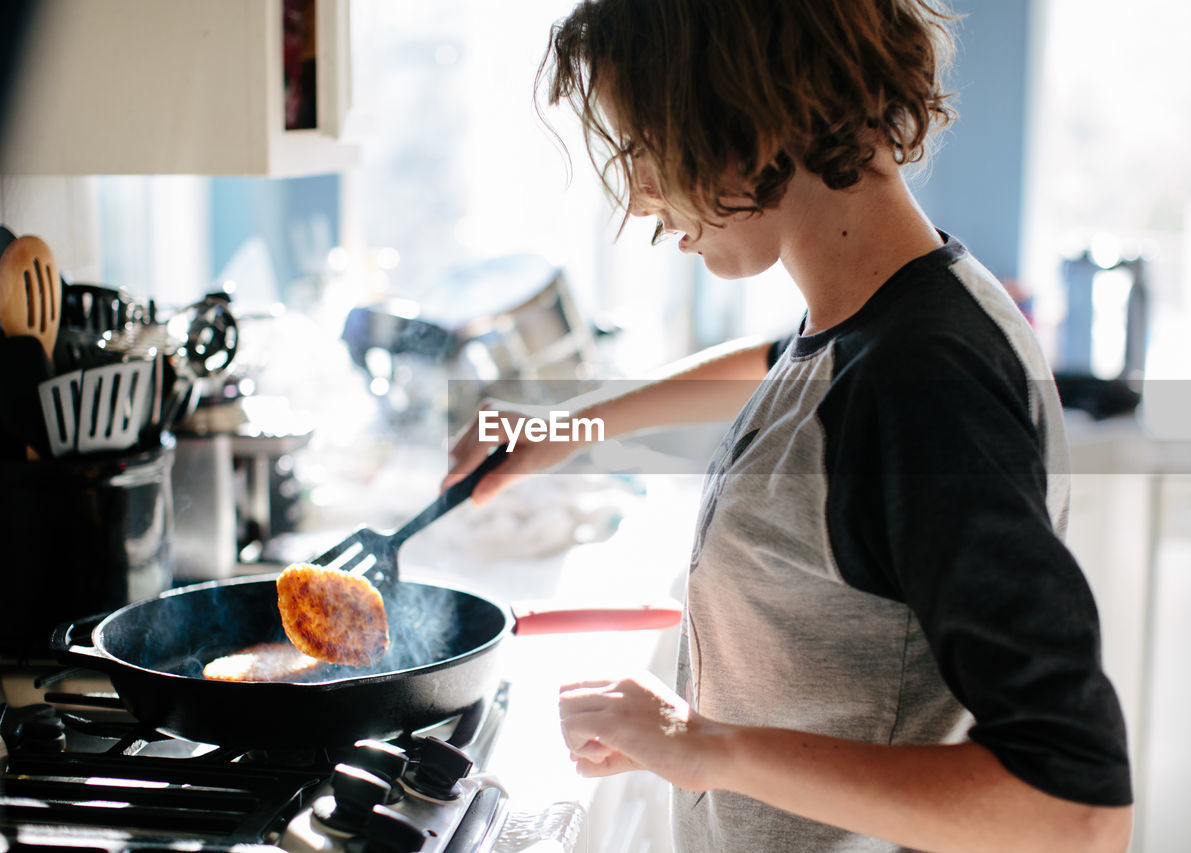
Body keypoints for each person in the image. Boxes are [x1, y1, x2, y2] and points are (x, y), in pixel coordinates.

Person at [443, 0, 1134, 850]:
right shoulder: (889, 314)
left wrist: (703, 747)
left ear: (747, 117)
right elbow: (781, 369)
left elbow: (1073, 809)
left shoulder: (925, 384)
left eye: (642, 146)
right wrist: (560, 427)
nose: (640, 199)